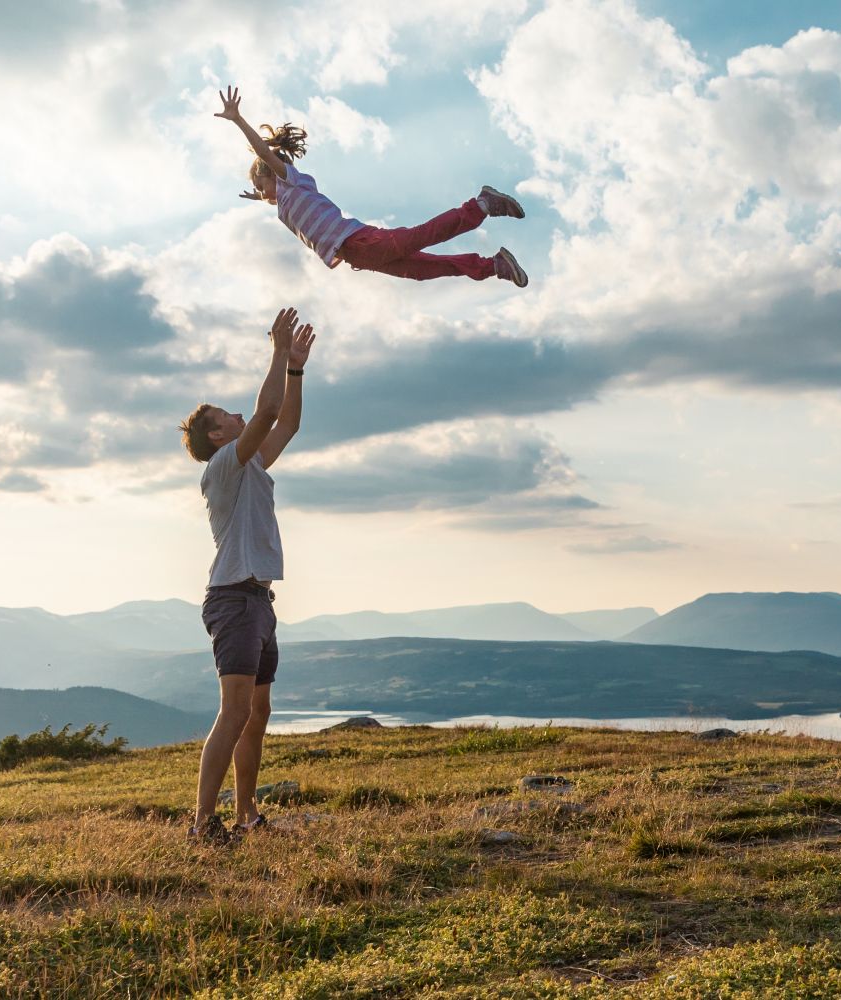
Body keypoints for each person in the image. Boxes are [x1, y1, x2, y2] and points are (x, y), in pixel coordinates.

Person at [178, 307, 316, 843]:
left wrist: (297, 368)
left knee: (256, 711)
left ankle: (245, 816)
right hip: (233, 599)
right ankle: (202, 825)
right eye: (227, 416)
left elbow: (289, 423)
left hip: (257, 598)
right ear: (216, 437)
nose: (239, 414)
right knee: (234, 710)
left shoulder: (252, 463)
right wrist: (278, 350)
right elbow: (267, 410)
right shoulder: (223, 467)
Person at [214, 86, 531, 287]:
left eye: (261, 184)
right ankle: (493, 265)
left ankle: (482, 205)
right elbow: (273, 198)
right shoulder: (282, 202)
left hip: (360, 242)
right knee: (424, 270)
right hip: (358, 257)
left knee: (424, 235)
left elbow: (263, 153)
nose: (265, 194)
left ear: (270, 172)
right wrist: (258, 195)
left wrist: (238, 120)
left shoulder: (290, 179)